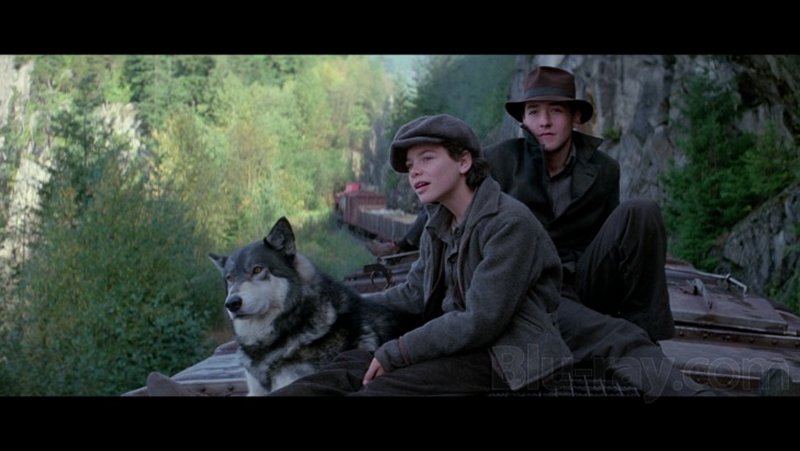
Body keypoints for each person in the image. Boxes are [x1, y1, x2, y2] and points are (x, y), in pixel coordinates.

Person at [271, 113, 574, 395]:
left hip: (510, 356)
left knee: (379, 388)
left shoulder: (509, 224)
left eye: (427, 158)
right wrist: (345, 305)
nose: (414, 171)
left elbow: (480, 319)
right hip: (461, 343)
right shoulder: (438, 224)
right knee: (347, 366)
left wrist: (398, 351)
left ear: (464, 161)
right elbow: (415, 292)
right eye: (410, 165)